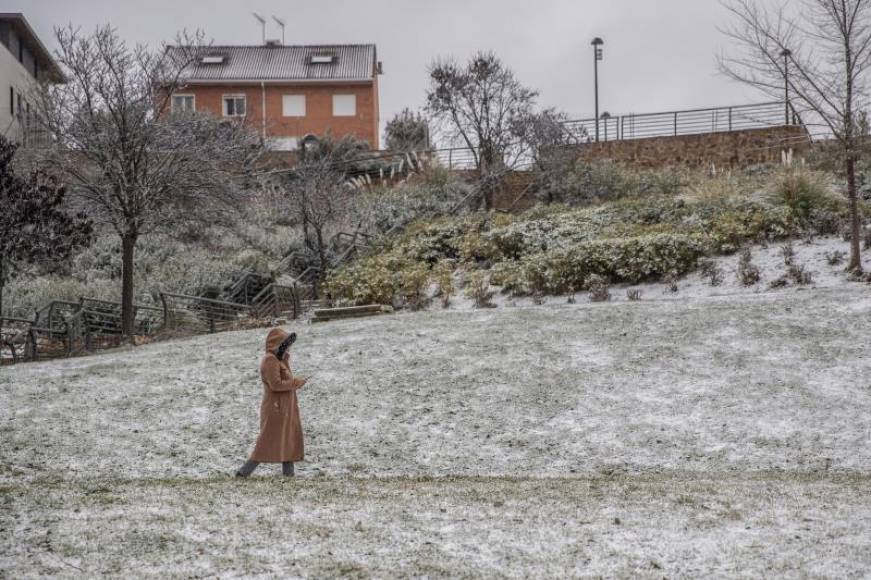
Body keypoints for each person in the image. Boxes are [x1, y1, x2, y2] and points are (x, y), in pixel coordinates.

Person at [236, 328, 308, 478]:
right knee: (267, 440)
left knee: (287, 438)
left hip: (284, 408)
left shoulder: (280, 360)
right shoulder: (270, 360)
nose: (289, 347)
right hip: (276, 409)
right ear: (278, 344)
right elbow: (275, 384)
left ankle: (288, 475)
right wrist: (296, 383)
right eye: (286, 344)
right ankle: (244, 472)